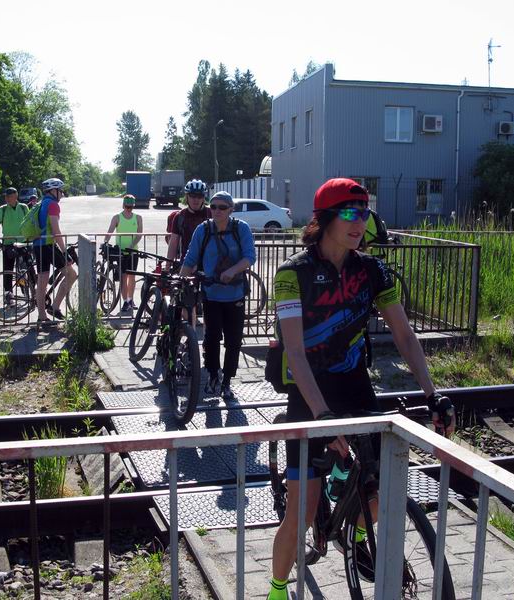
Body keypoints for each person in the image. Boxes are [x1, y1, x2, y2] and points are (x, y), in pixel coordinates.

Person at [265, 178, 454, 600]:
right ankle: (277, 589)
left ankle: (354, 536)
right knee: (301, 512)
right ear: (326, 217)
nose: (359, 222)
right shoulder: (292, 274)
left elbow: (404, 335)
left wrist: (432, 394)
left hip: (355, 388)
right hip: (309, 395)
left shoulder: (371, 269)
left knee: (378, 496)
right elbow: (294, 351)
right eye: (350, 213)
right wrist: (322, 416)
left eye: (365, 213)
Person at [179, 191, 256, 401]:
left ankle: (227, 381)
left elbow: (250, 256)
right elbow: (190, 258)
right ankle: (213, 375)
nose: (217, 211)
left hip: (236, 295)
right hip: (211, 295)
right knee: (212, 338)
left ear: (231, 209)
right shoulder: (203, 230)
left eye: (222, 207)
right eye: (213, 207)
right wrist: (179, 282)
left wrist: (233, 271)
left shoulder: (241, 229)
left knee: (234, 340)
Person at [33, 178, 76, 324]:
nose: (62, 194)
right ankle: (55, 307)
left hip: (37, 245)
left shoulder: (40, 203)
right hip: (48, 245)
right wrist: (65, 251)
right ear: (53, 191)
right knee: (71, 274)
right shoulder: (52, 205)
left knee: (42, 281)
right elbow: (56, 230)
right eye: (61, 190)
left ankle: (42, 316)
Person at [104, 195, 142, 314]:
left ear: (133, 206)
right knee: (123, 277)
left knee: (132, 277)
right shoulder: (117, 217)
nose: (128, 209)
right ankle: (125, 301)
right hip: (120, 252)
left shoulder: (138, 218)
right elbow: (110, 231)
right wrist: (105, 242)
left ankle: (130, 300)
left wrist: (132, 245)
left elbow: (139, 234)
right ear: (123, 205)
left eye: (130, 207)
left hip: (133, 251)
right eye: (127, 206)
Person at [0, 187, 29, 305]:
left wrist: (30, 237)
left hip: (23, 242)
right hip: (8, 243)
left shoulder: (23, 207)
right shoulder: (2, 209)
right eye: (6, 196)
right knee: (8, 270)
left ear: (16, 196)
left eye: (10, 196)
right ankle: (8, 294)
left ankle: (28, 290)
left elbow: (29, 223)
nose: (7, 198)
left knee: (26, 267)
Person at [166, 179, 211, 263]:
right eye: (192, 196)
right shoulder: (179, 217)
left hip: (209, 264)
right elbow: (173, 244)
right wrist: (168, 266)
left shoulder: (212, 214)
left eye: (199, 196)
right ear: (187, 197)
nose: (196, 199)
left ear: (203, 198)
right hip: (187, 263)